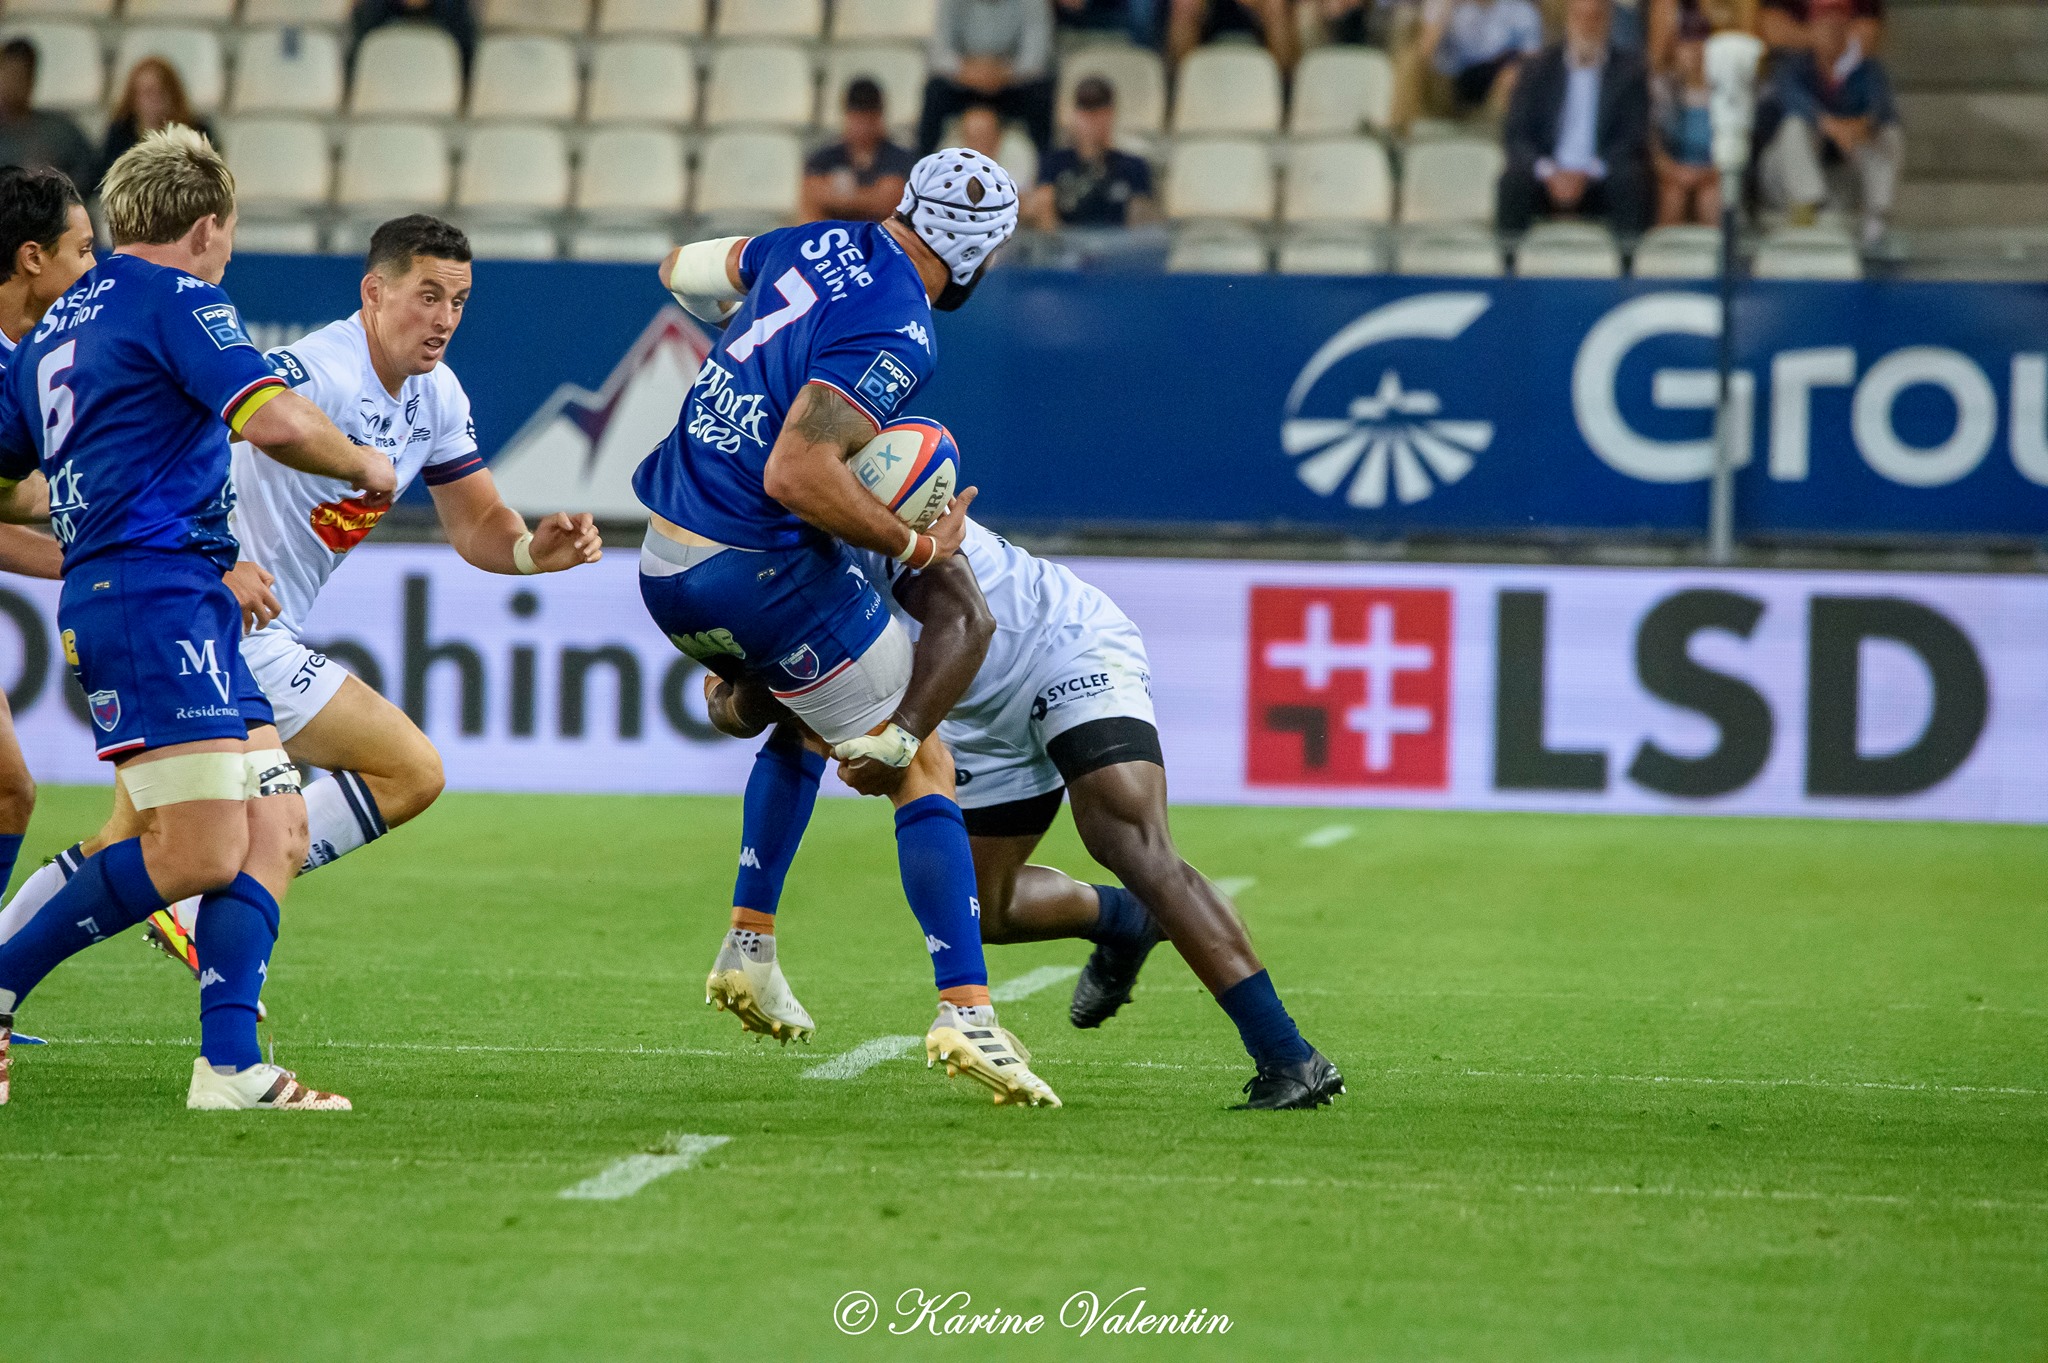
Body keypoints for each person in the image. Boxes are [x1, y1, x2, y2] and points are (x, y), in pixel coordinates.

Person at [1, 214, 604, 973]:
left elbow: (478, 518)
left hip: (204, 620)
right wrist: (207, 562)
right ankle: (223, 923)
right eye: (427, 296)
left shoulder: (438, 395)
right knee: (408, 770)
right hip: (218, 621)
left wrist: (527, 551)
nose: (445, 319)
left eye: (458, 301)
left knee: (127, 841)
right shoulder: (321, 369)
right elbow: (186, 438)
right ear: (374, 292)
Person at [638, 151, 1060, 1108]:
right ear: (980, 252)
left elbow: (679, 269)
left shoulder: (815, 240)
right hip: (751, 562)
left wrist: (746, 347)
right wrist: (915, 545)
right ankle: (967, 1008)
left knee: (800, 715)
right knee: (922, 759)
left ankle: (750, 945)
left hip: (665, 561)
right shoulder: (900, 325)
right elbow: (797, 473)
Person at [0, 127, 397, 1111]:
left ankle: (229, 1064)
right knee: (199, 851)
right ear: (208, 226)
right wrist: (361, 462)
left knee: (277, 821)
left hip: (178, 596)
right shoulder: (175, 298)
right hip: (153, 599)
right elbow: (270, 418)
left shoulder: (52, 330)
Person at [704, 517, 1346, 1111]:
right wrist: (747, 698)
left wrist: (898, 739)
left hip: (1060, 649)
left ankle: (1290, 1056)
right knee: (987, 907)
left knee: (1126, 837)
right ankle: (1127, 919)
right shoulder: (766, 569)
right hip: (966, 709)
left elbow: (969, 624)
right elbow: (756, 717)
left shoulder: (872, 495)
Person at [0, 168, 87, 922]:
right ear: (33, 257)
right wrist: (92, 552)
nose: (93, 268)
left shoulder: (32, 357)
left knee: (9, 791)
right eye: (82, 249)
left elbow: (17, 495)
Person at [1496, 0, 1653, 239]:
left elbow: (1631, 138)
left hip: (1601, 176)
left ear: (1608, 20)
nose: (1587, 26)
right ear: (1569, 18)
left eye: (1595, 18)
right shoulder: (1538, 69)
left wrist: (1588, 172)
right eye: (1581, 17)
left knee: (1629, 180)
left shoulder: (1629, 72)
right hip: (1547, 175)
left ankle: (1627, 268)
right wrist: (1549, 171)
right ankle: (1508, 268)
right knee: (1513, 181)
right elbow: (1516, 134)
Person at [1758, 0, 1900, 246]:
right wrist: (1832, 126)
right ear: (1812, 26)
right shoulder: (1793, 66)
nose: (1831, 28)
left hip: (1841, 176)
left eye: (1838, 21)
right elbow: (1791, 98)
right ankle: (1812, 211)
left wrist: (1861, 125)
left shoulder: (1865, 67)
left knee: (1888, 134)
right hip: (1783, 179)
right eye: (1824, 21)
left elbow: (1882, 108)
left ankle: (1877, 218)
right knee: (1795, 126)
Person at [920, 0, 1055, 155]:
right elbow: (939, 53)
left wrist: (1003, 72)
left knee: (1040, 92)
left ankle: (1046, 169)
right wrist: (970, 71)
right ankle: (924, 167)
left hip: (1010, 83)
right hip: (965, 81)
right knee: (935, 91)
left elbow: (1036, 57)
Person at [1392, 0, 1544, 132]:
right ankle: (1401, 131)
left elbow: (1533, 63)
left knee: (1513, 76)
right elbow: (1425, 51)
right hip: (1451, 76)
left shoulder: (1521, 11)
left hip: (1493, 77)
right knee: (1409, 63)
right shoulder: (1447, 7)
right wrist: (1445, 9)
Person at [1027, 77, 1157, 230]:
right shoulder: (1054, 163)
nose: (1091, 119)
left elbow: (1142, 223)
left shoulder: (1134, 166)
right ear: (1075, 115)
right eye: (1085, 111)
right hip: (1066, 247)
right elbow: (1043, 214)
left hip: (1118, 247)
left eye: (1099, 111)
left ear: (1111, 114)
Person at [800, 78, 917, 225]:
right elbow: (811, 198)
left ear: (879, 117)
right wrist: (869, 196)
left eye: (868, 119)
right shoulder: (823, 158)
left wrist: (837, 196)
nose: (862, 128)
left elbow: (889, 201)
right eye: (857, 119)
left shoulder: (900, 158)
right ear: (846, 116)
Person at [98, 58, 216, 191]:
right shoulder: (120, 132)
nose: (152, 100)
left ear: (172, 94)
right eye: (145, 93)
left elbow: (210, 180)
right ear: (132, 97)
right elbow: (107, 179)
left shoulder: (197, 131)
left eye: (159, 92)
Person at [0, 40, 96, 194]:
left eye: (20, 75)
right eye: (7, 74)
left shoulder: (62, 132)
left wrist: (54, 185)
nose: (10, 84)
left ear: (32, 80)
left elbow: (91, 177)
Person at [1651, 11, 1719, 225]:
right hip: (1673, 173)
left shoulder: (1724, 92)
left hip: (1713, 174)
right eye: (1687, 45)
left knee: (1711, 198)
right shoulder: (1662, 89)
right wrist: (1675, 172)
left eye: (1702, 44)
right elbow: (1653, 144)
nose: (1696, 52)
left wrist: (1706, 173)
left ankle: (1720, 258)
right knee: (1672, 196)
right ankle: (1663, 257)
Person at [1166, 0, 1301, 72]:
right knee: (1185, 4)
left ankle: (1284, 90)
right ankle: (1181, 90)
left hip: (1259, 32)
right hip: (1210, 28)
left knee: (1275, 5)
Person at [1756, 0, 1879, 53]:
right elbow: (1773, 30)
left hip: (1847, 67)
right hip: (1792, 62)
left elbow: (1869, 34)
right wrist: (1817, 38)